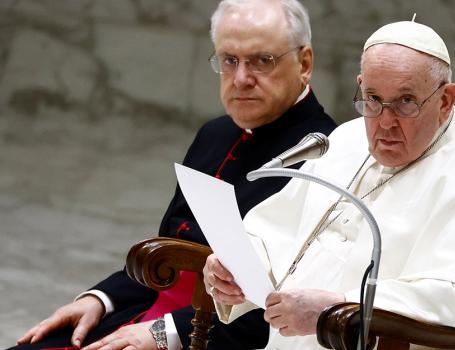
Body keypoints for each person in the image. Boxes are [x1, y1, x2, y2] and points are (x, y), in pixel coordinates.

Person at [13, 1, 336, 350]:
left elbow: (283, 308)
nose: (241, 79)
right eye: (229, 60)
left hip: (211, 337)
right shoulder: (216, 134)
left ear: (304, 64)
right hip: (145, 311)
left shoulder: (328, 156)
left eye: (262, 60)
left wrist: (164, 334)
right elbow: (166, 254)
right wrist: (100, 299)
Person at [203, 20, 455, 349]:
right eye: (373, 99)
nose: (386, 122)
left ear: (445, 101)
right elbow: (275, 233)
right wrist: (234, 271)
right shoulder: (346, 141)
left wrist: (341, 309)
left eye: (406, 101)